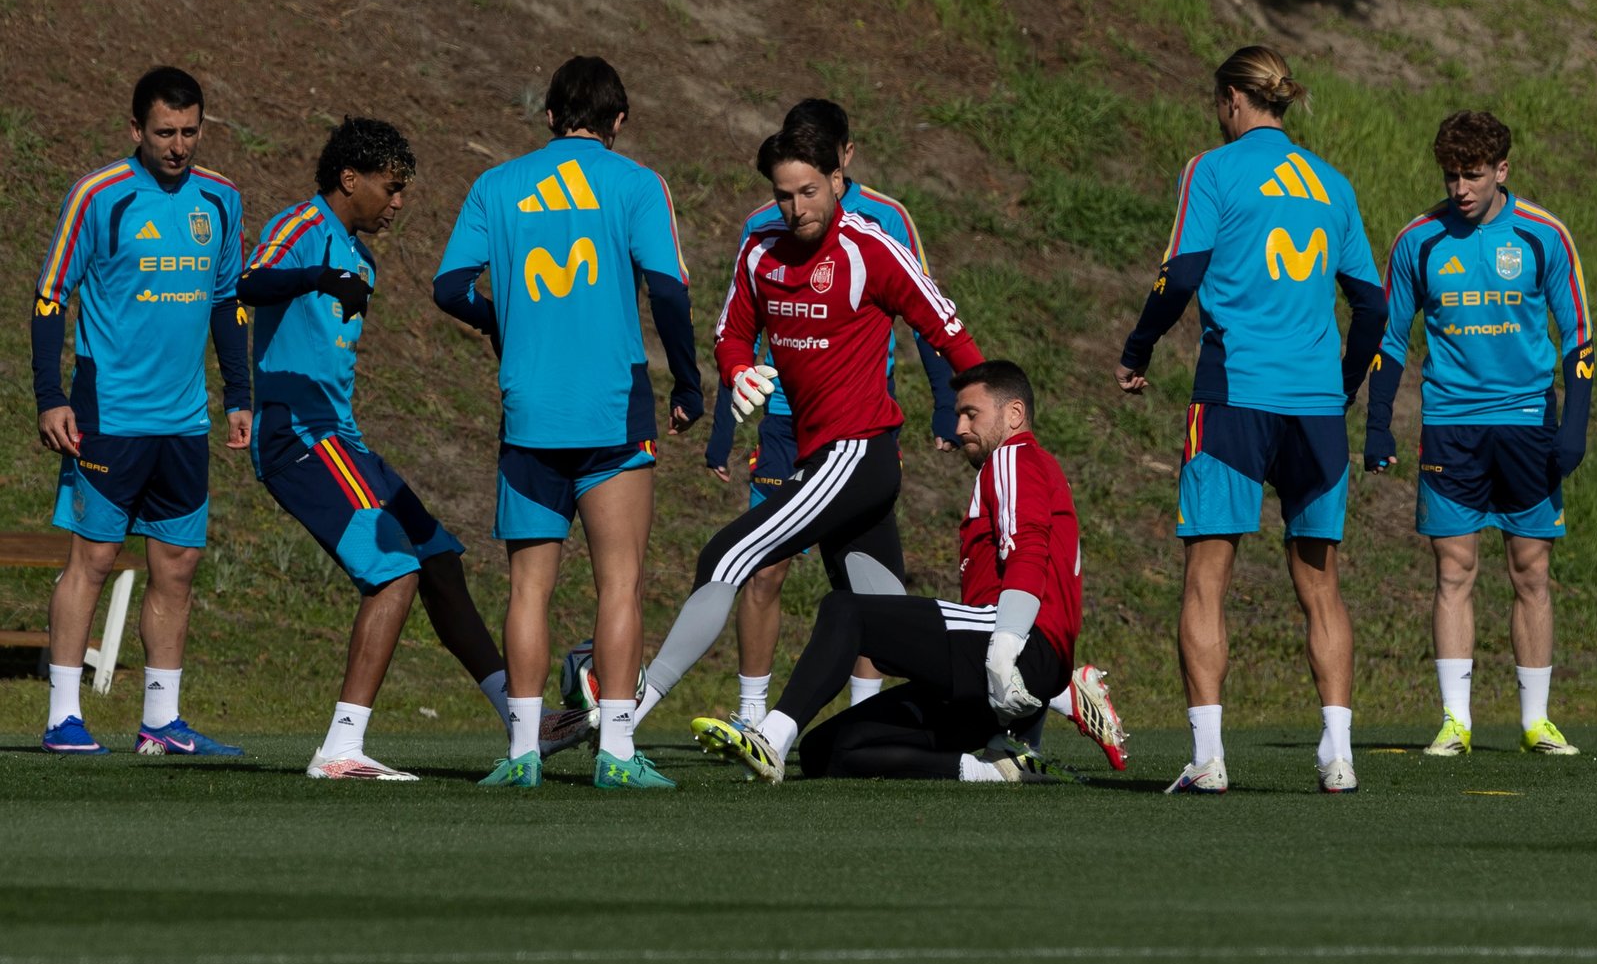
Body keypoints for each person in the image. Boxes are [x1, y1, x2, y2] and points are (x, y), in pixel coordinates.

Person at [239, 118, 590, 780]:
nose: (398, 202)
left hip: (342, 438)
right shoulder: (302, 227)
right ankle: (341, 749)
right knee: (394, 570)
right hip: (298, 436)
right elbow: (248, 281)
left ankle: (526, 723)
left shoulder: (362, 258)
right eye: (391, 187)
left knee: (438, 560)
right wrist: (319, 277)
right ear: (349, 179)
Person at [633, 121, 983, 729]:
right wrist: (738, 370)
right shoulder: (761, 249)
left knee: (725, 557)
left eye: (809, 192)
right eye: (784, 195)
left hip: (858, 452)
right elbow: (732, 332)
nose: (797, 209)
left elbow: (946, 329)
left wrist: (988, 419)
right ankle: (1051, 693)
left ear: (837, 180)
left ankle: (625, 715)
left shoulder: (870, 247)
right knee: (890, 615)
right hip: (813, 452)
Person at [1115, 45, 1387, 795]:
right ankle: (1338, 756)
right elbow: (1371, 305)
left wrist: (1137, 348)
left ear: (1234, 99)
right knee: (1321, 585)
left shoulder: (1213, 169)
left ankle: (1209, 758)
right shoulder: (1332, 182)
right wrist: (1343, 385)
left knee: (1207, 577)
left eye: (1218, 101)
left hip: (1234, 397)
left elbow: (1182, 273)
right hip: (1315, 410)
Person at [433, 56, 702, 790]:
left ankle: (522, 750)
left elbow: (449, 287)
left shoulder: (496, 184)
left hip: (530, 409)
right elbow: (669, 290)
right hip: (611, 409)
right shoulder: (637, 184)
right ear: (619, 121)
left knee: (528, 587)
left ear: (550, 116)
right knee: (621, 582)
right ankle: (616, 750)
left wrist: (499, 322)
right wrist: (687, 381)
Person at [691, 360, 1119, 782]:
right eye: (958, 415)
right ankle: (995, 771)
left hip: (1009, 654)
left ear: (1014, 414)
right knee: (827, 750)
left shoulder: (1014, 456)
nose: (960, 427)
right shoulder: (1032, 468)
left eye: (971, 414)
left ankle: (770, 738)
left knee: (847, 610)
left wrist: (1006, 650)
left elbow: (1027, 551)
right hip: (1003, 672)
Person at [32, 66, 250, 757]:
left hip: (184, 421)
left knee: (177, 565)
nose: (178, 146)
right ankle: (63, 716)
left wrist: (240, 394)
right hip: (109, 417)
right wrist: (50, 396)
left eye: (189, 131)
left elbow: (227, 302)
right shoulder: (99, 195)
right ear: (136, 129)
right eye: (164, 132)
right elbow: (50, 295)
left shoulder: (221, 199)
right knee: (93, 558)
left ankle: (161, 720)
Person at [1364, 111, 1592, 758]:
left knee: (1531, 571)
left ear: (1502, 170)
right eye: (1451, 175)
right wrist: (1377, 424)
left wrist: (1574, 427)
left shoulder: (1544, 235)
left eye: (1472, 174)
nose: (1460, 188)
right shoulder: (1419, 240)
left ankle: (1536, 722)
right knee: (1454, 569)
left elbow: (1578, 338)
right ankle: (1455, 722)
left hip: (1527, 424)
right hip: (1451, 425)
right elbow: (1389, 338)